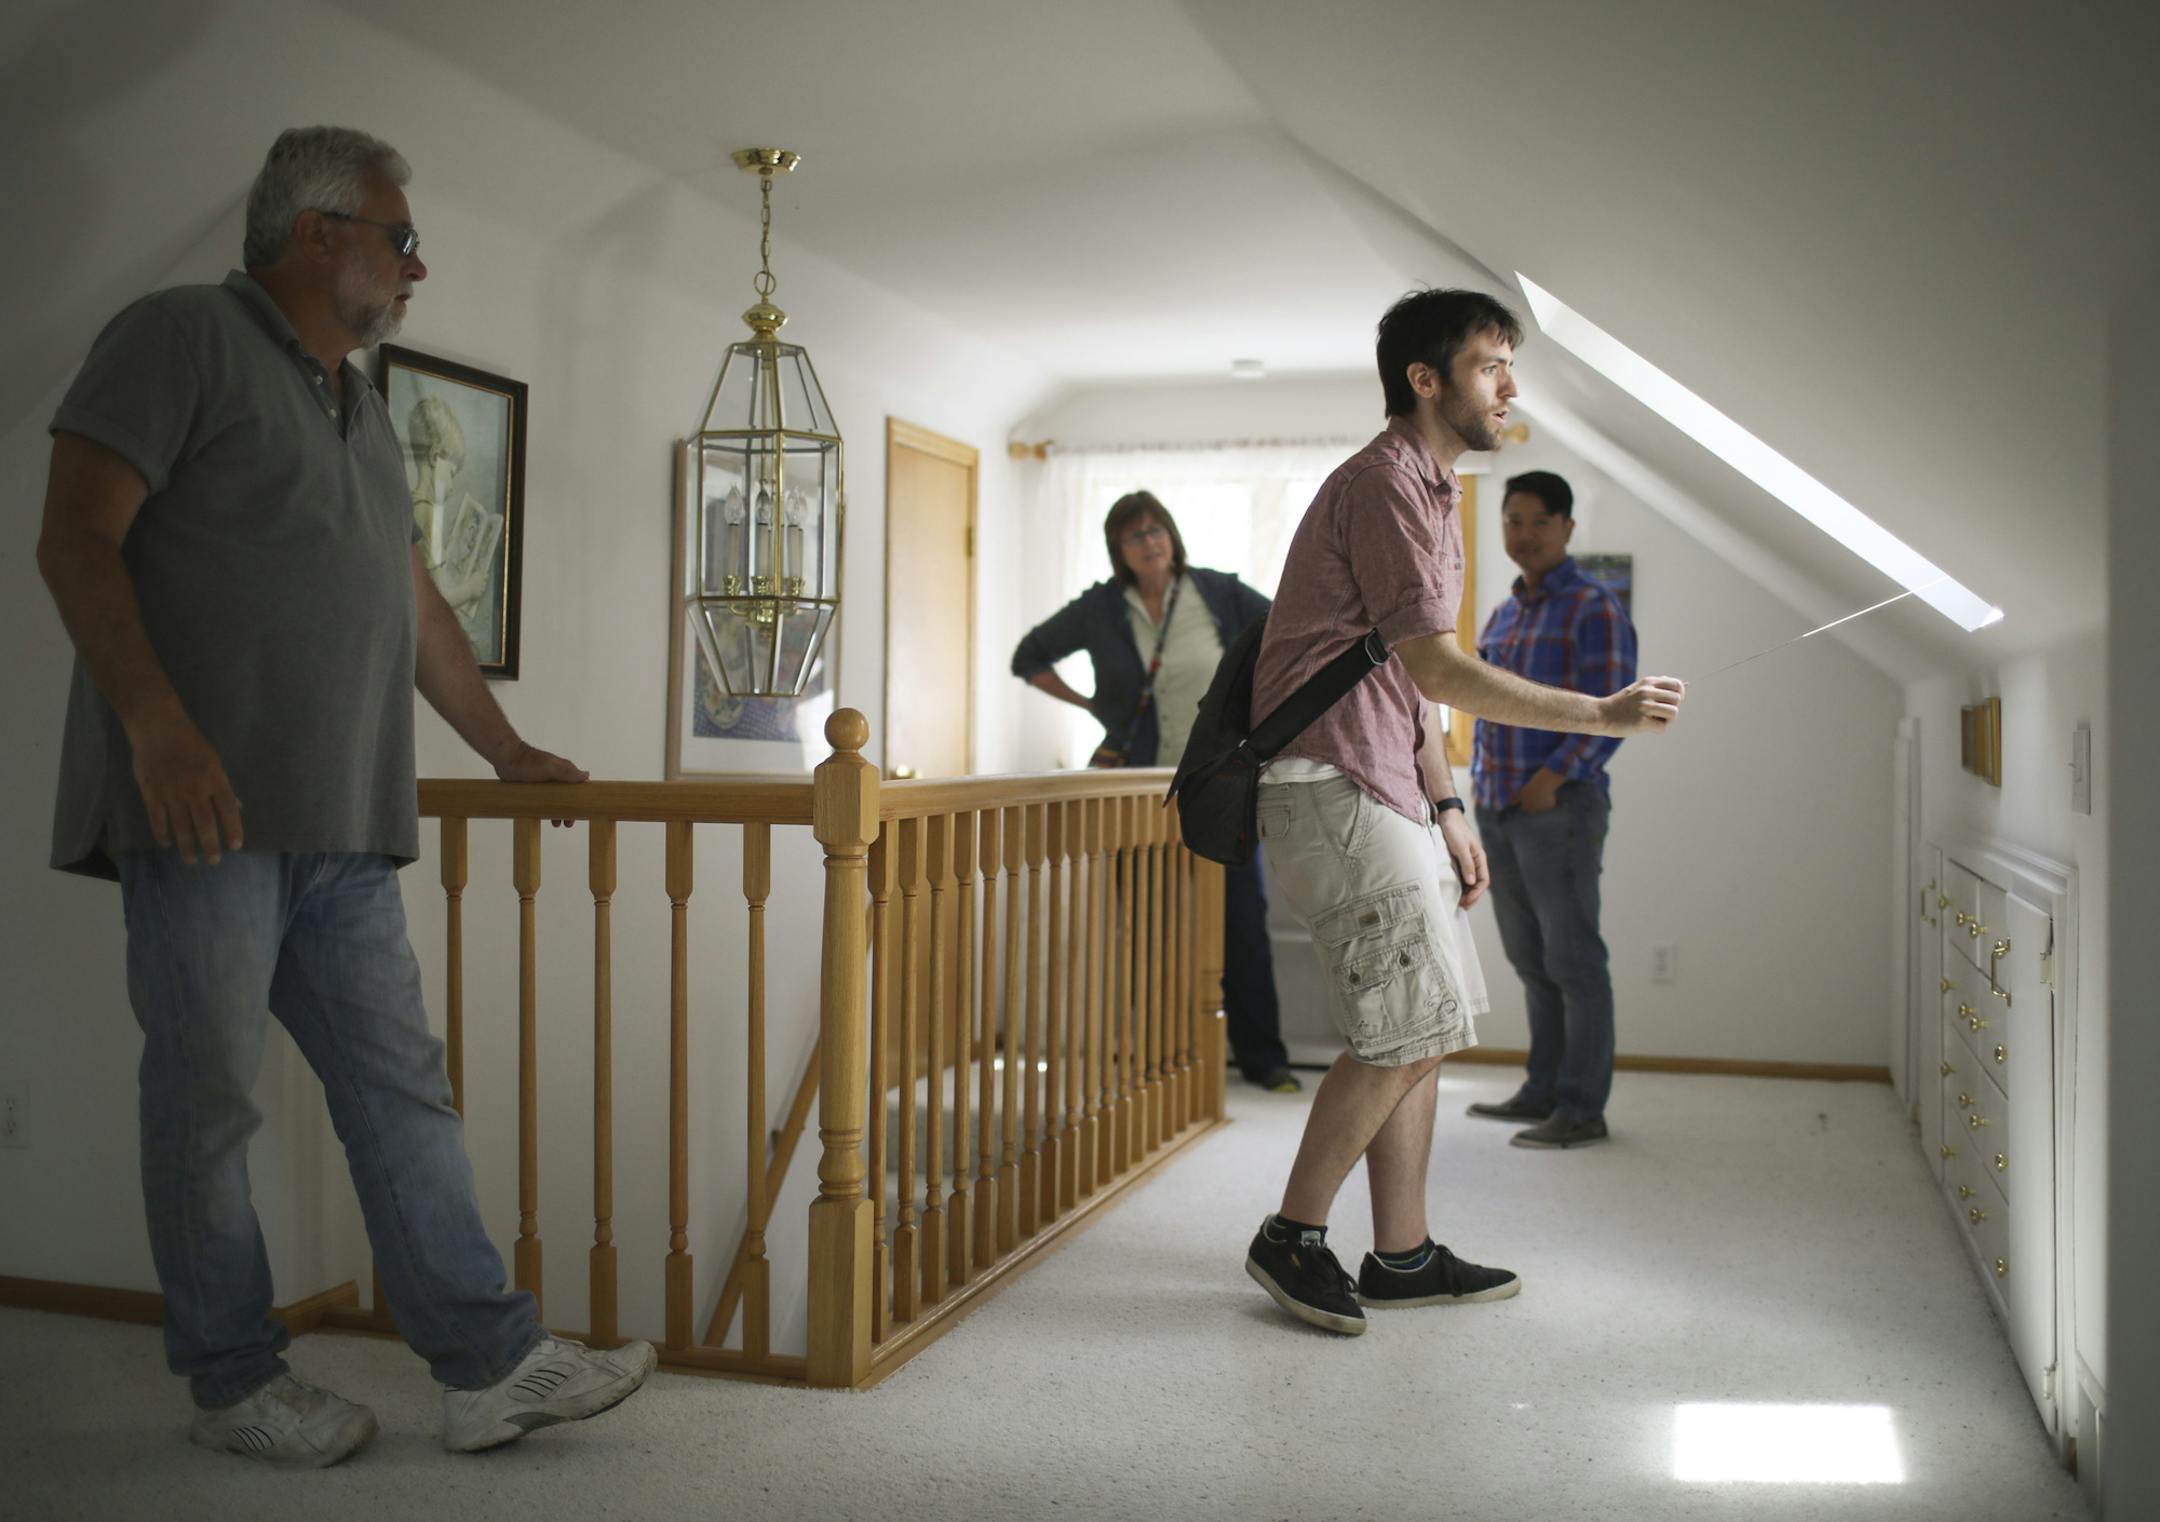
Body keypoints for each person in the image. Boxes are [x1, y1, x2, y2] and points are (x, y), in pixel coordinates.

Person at [34, 126, 655, 1467]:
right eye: (401, 237)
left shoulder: (355, 404)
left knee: (400, 1092)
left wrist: (500, 744)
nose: (416, 265)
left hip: (343, 823)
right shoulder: (180, 336)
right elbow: (74, 534)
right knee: (205, 1101)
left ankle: (489, 1364)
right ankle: (234, 1379)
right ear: (320, 236)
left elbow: (414, 602)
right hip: (206, 814)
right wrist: (156, 730)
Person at [1239, 288, 1685, 1336]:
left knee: (1422, 1025)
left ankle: (1402, 1252)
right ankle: (1291, 1234)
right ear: (1426, 379)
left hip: (1383, 785)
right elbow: (1442, 666)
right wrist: (1603, 713)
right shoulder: (1386, 484)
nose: (1510, 385)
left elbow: (1402, 683)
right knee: (1410, 1026)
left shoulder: (1435, 495)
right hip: (1332, 786)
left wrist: (1447, 803)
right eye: (1492, 363)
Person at [1011, 492, 1301, 1093]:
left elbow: (1289, 637)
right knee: (1149, 928)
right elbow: (1028, 656)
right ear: (1119, 549)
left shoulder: (1218, 593)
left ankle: (1263, 1059)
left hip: (1220, 785)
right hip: (1138, 792)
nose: (1149, 541)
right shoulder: (1099, 608)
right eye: (1134, 535)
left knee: (1241, 922)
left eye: (1156, 529)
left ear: (1172, 534)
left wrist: (1256, 721)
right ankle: (1163, 1056)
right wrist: (1096, 708)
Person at [1465, 471, 1638, 1149]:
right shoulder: (1505, 612)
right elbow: (1483, 707)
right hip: (1498, 810)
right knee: (1531, 960)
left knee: (1573, 961)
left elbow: (1616, 716)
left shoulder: (1593, 607)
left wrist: (1550, 782)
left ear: (1566, 528)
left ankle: (1581, 1107)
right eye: (1513, 520)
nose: (1524, 533)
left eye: (1539, 521)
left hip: (1557, 810)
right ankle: (1541, 1090)